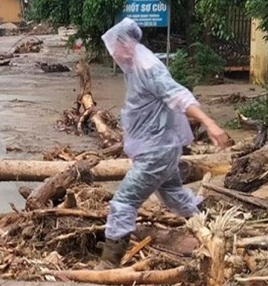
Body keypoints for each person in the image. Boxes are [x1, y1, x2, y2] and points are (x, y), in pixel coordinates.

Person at [96, 18, 231, 268]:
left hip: (155, 152)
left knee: (124, 201)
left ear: (127, 44)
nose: (113, 53)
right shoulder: (135, 67)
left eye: (115, 47)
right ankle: (214, 226)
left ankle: (109, 262)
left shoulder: (148, 68)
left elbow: (178, 95)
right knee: (174, 195)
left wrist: (209, 123)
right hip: (159, 148)